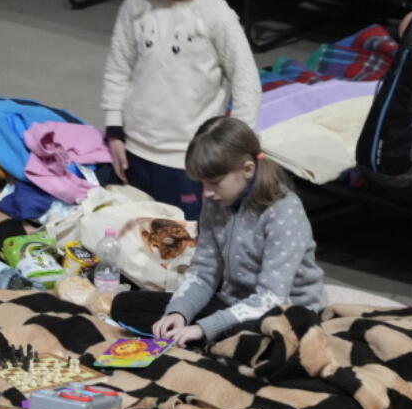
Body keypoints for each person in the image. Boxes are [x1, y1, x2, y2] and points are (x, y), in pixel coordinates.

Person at [101, 0, 260, 222]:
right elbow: (118, 70)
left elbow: (246, 84)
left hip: (187, 162)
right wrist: (114, 131)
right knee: (131, 237)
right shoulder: (136, 4)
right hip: (133, 151)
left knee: (184, 245)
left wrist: (230, 153)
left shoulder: (215, 16)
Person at [110, 116, 325, 346]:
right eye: (202, 183)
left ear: (248, 170)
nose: (206, 193)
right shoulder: (215, 202)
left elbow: (271, 298)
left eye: (215, 182)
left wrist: (204, 328)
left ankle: (209, 341)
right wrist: (178, 313)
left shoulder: (284, 210)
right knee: (125, 305)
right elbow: (203, 272)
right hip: (231, 304)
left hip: (283, 313)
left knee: (257, 339)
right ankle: (203, 341)